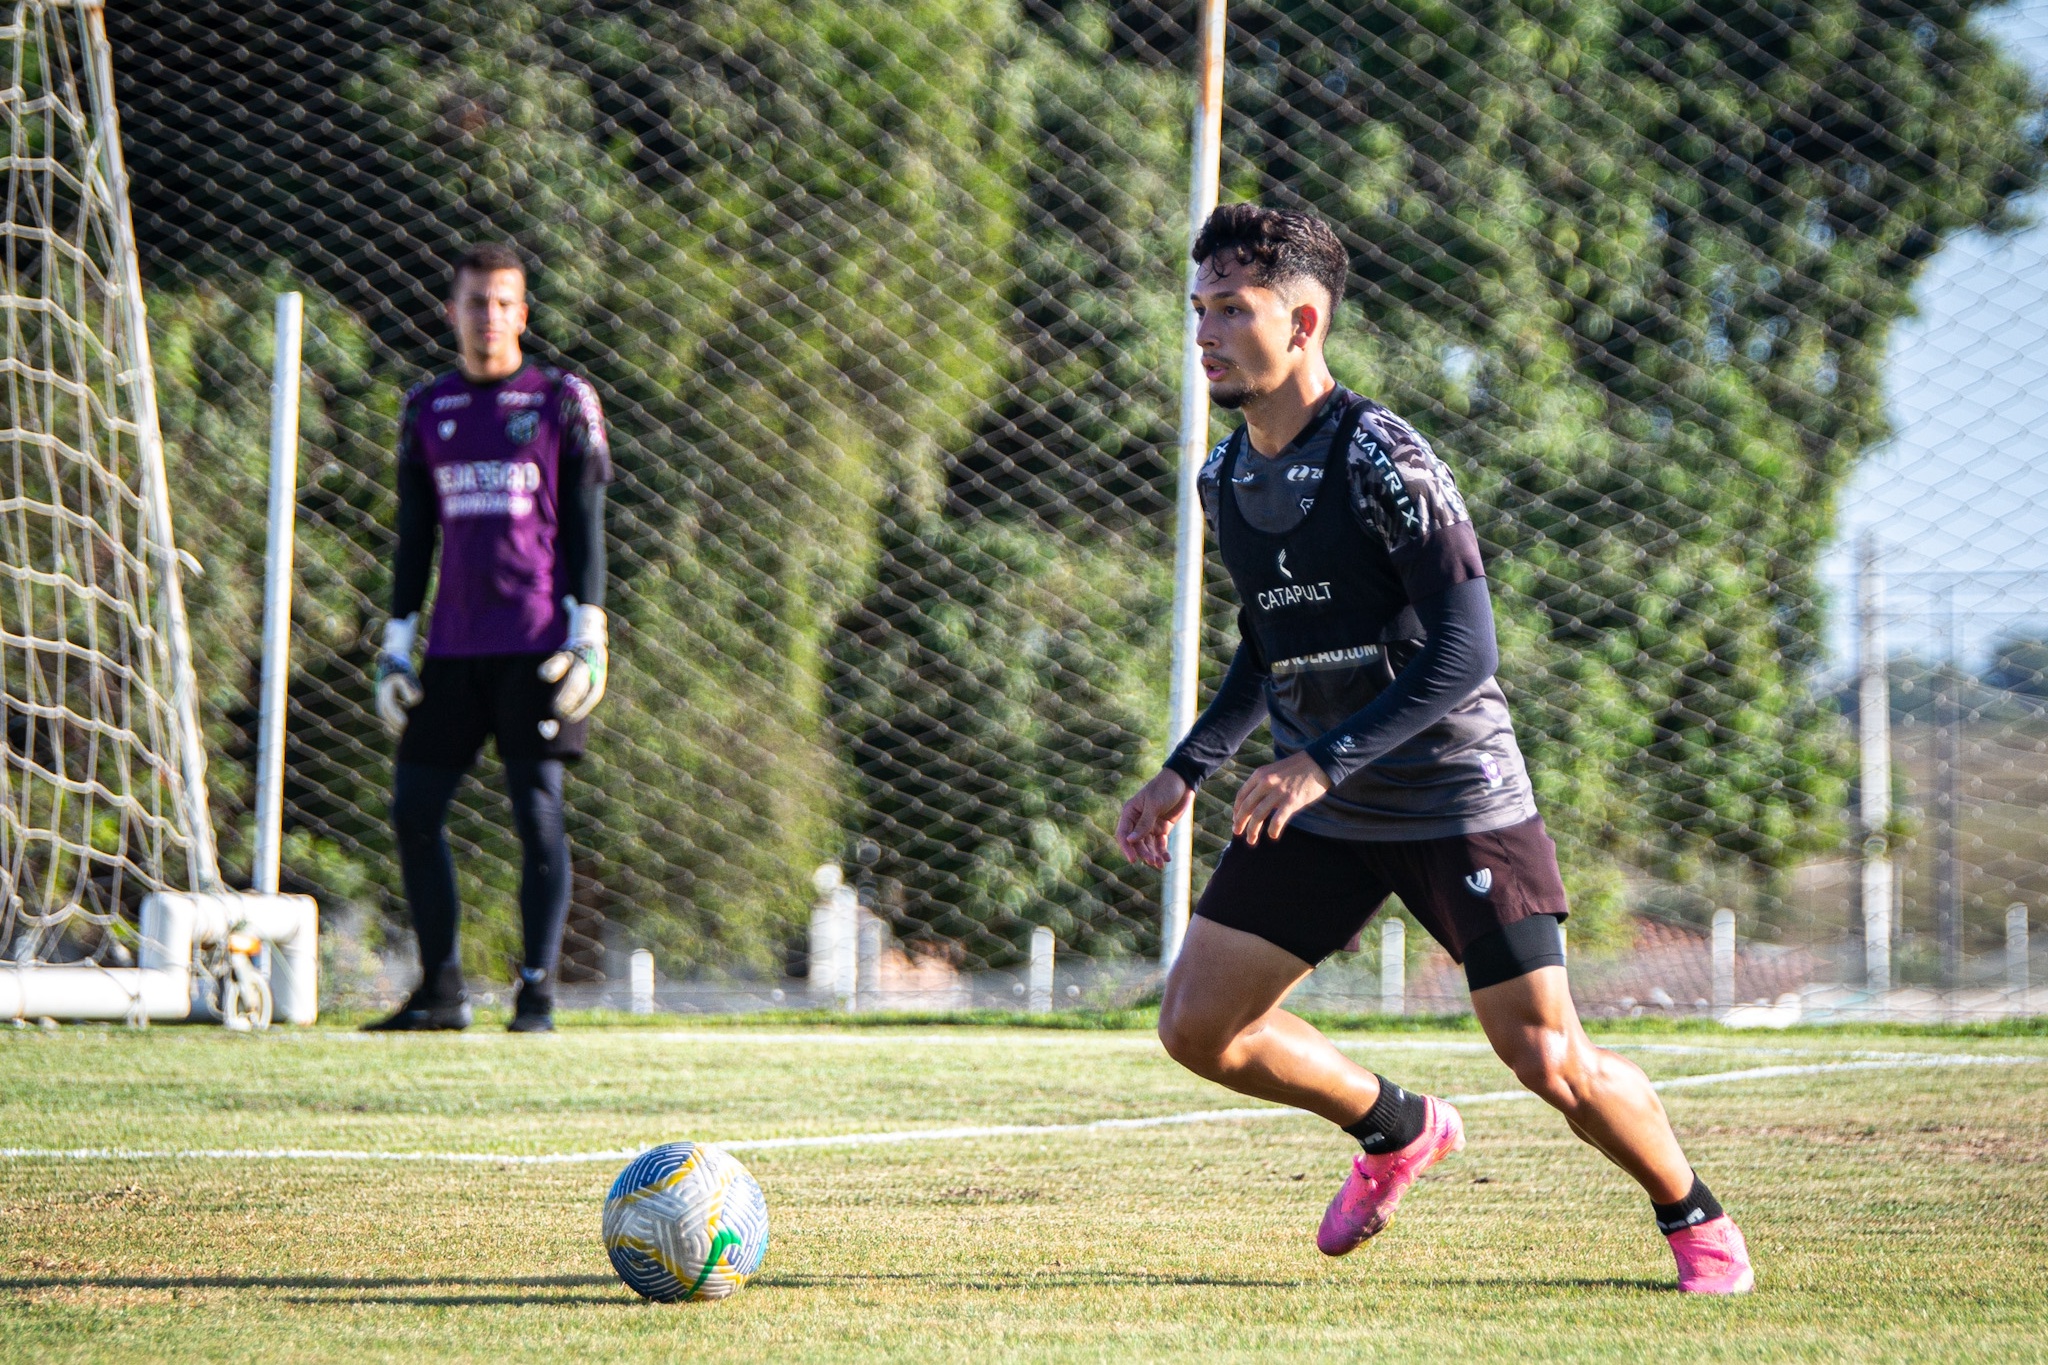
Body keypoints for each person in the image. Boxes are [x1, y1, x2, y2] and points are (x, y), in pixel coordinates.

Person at [1115, 204, 1752, 1293]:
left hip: (1452, 793)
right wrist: (1186, 766)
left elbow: (1465, 650)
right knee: (1199, 1026)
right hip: (1322, 804)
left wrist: (1317, 759)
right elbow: (1265, 647)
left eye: (1232, 310)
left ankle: (1693, 1218)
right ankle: (1395, 1126)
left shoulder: (1385, 457)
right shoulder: (1226, 477)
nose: (1205, 333)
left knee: (1547, 1060)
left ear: (1303, 321)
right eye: (1199, 309)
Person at [365, 242, 612, 1034]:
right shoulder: (425, 408)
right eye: (476, 302)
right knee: (413, 806)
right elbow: (414, 536)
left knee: (537, 814)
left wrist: (591, 632)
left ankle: (535, 994)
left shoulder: (561, 398)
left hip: (537, 645)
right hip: (453, 650)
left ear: (524, 312)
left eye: (504, 303)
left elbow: (584, 524)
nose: (490, 317)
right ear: (452, 310)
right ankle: (441, 990)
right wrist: (397, 641)